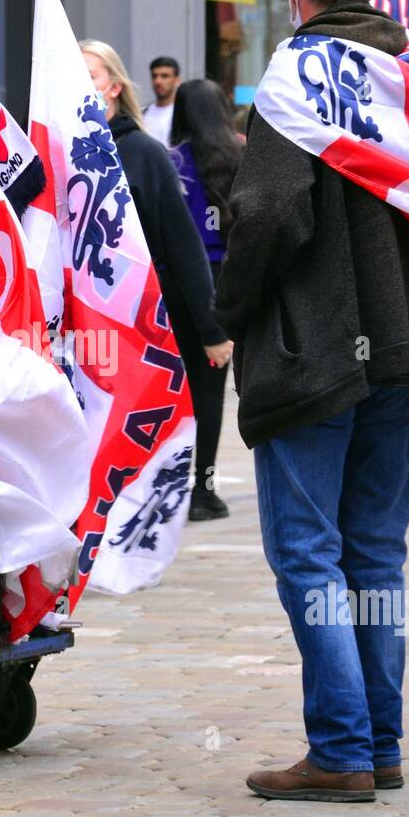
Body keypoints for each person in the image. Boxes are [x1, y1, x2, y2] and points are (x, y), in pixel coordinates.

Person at [213, 0, 409, 803]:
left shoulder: (298, 74)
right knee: (376, 552)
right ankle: (381, 739)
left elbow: (270, 214)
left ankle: (339, 748)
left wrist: (231, 309)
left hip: (315, 347)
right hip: (405, 347)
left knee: (308, 553)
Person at [79, 41, 233, 471]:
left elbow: (183, 244)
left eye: (89, 75)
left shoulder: (145, 154)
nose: (78, 85)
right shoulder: (54, 150)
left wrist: (211, 327)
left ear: (113, 86)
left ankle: (194, 485)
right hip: (80, 320)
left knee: (175, 401)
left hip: (146, 315)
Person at [168, 79, 243, 520]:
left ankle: (168, 486)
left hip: (175, 281)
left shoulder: (170, 159)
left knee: (173, 387)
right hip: (219, 281)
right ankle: (204, 489)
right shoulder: (238, 156)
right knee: (210, 391)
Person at [142, 56, 180, 147]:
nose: (158, 81)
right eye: (154, 76)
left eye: (165, 76)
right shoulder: (141, 113)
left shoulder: (182, 114)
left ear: (177, 80)